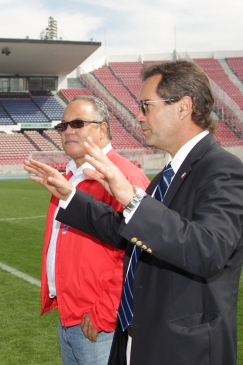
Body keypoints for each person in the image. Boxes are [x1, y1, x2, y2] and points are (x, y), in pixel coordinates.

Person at [24, 60, 243, 365]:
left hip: (184, 351)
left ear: (183, 107)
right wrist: (70, 197)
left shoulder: (223, 170)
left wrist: (132, 199)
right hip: (141, 339)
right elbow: (127, 236)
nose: (138, 116)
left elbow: (208, 250)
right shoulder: (167, 177)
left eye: (146, 106)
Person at [38, 96, 149, 365]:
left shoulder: (124, 176)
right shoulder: (69, 176)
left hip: (98, 321)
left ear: (102, 128)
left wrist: (104, 312)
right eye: (63, 127)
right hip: (71, 314)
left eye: (77, 123)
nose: (68, 132)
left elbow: (136, 255)